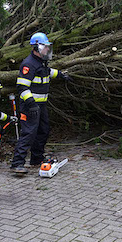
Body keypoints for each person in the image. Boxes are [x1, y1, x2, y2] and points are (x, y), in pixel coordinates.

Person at [11, 32, 72, 174]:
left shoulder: (40, 63)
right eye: (45, 47)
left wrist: (61, 75)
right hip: (30, 106)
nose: (47, 50)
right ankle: (17, 163)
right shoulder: (28, 64)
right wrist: (31, 103)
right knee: (28, 133)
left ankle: (36, 159)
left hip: (41, 105)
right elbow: (22, 87)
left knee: (43, 131)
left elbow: (47, 72)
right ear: (36, 47)